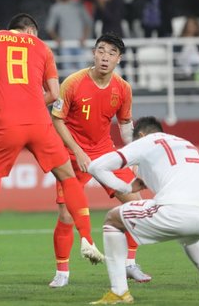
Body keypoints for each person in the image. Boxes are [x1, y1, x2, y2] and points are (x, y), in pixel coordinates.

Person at [0, 13, 104, 281]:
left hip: (6, 122)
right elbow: (53, 93)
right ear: (30, 31)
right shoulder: (42, 47)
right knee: (68, 177)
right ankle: (87, 239)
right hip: (39, 121)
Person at [88, 117, 199, 304]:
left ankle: (119, 292)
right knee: (189, 236)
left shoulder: (146, 141)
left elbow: (95, 167)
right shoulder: (185, 144)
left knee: (113, 220)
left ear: (140, 134)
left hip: (177, 211)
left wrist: (124, 188)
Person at [48, 34, 150, 288]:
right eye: (101, 51)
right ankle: (62, 272)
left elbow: (125, 124)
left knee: (136, 205)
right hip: (72, 154)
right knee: (66, 214)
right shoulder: (73, 83)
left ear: (119, 58)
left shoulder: (123, 88)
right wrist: (77, 150)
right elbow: (57, 119)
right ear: (94, 53)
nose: (105, 57)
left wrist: (132, 156)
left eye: (111, 52)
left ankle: (130, 264)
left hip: (105, 151)